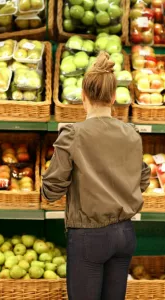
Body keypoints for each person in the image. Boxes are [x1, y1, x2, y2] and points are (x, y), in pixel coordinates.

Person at [42, 51, 150, 300]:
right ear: (114, 97)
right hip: (124, 234)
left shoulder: (73, 135)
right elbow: (142, 179)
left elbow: (52, 189)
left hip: (88, 237)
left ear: (83, 97)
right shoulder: (131, 133)